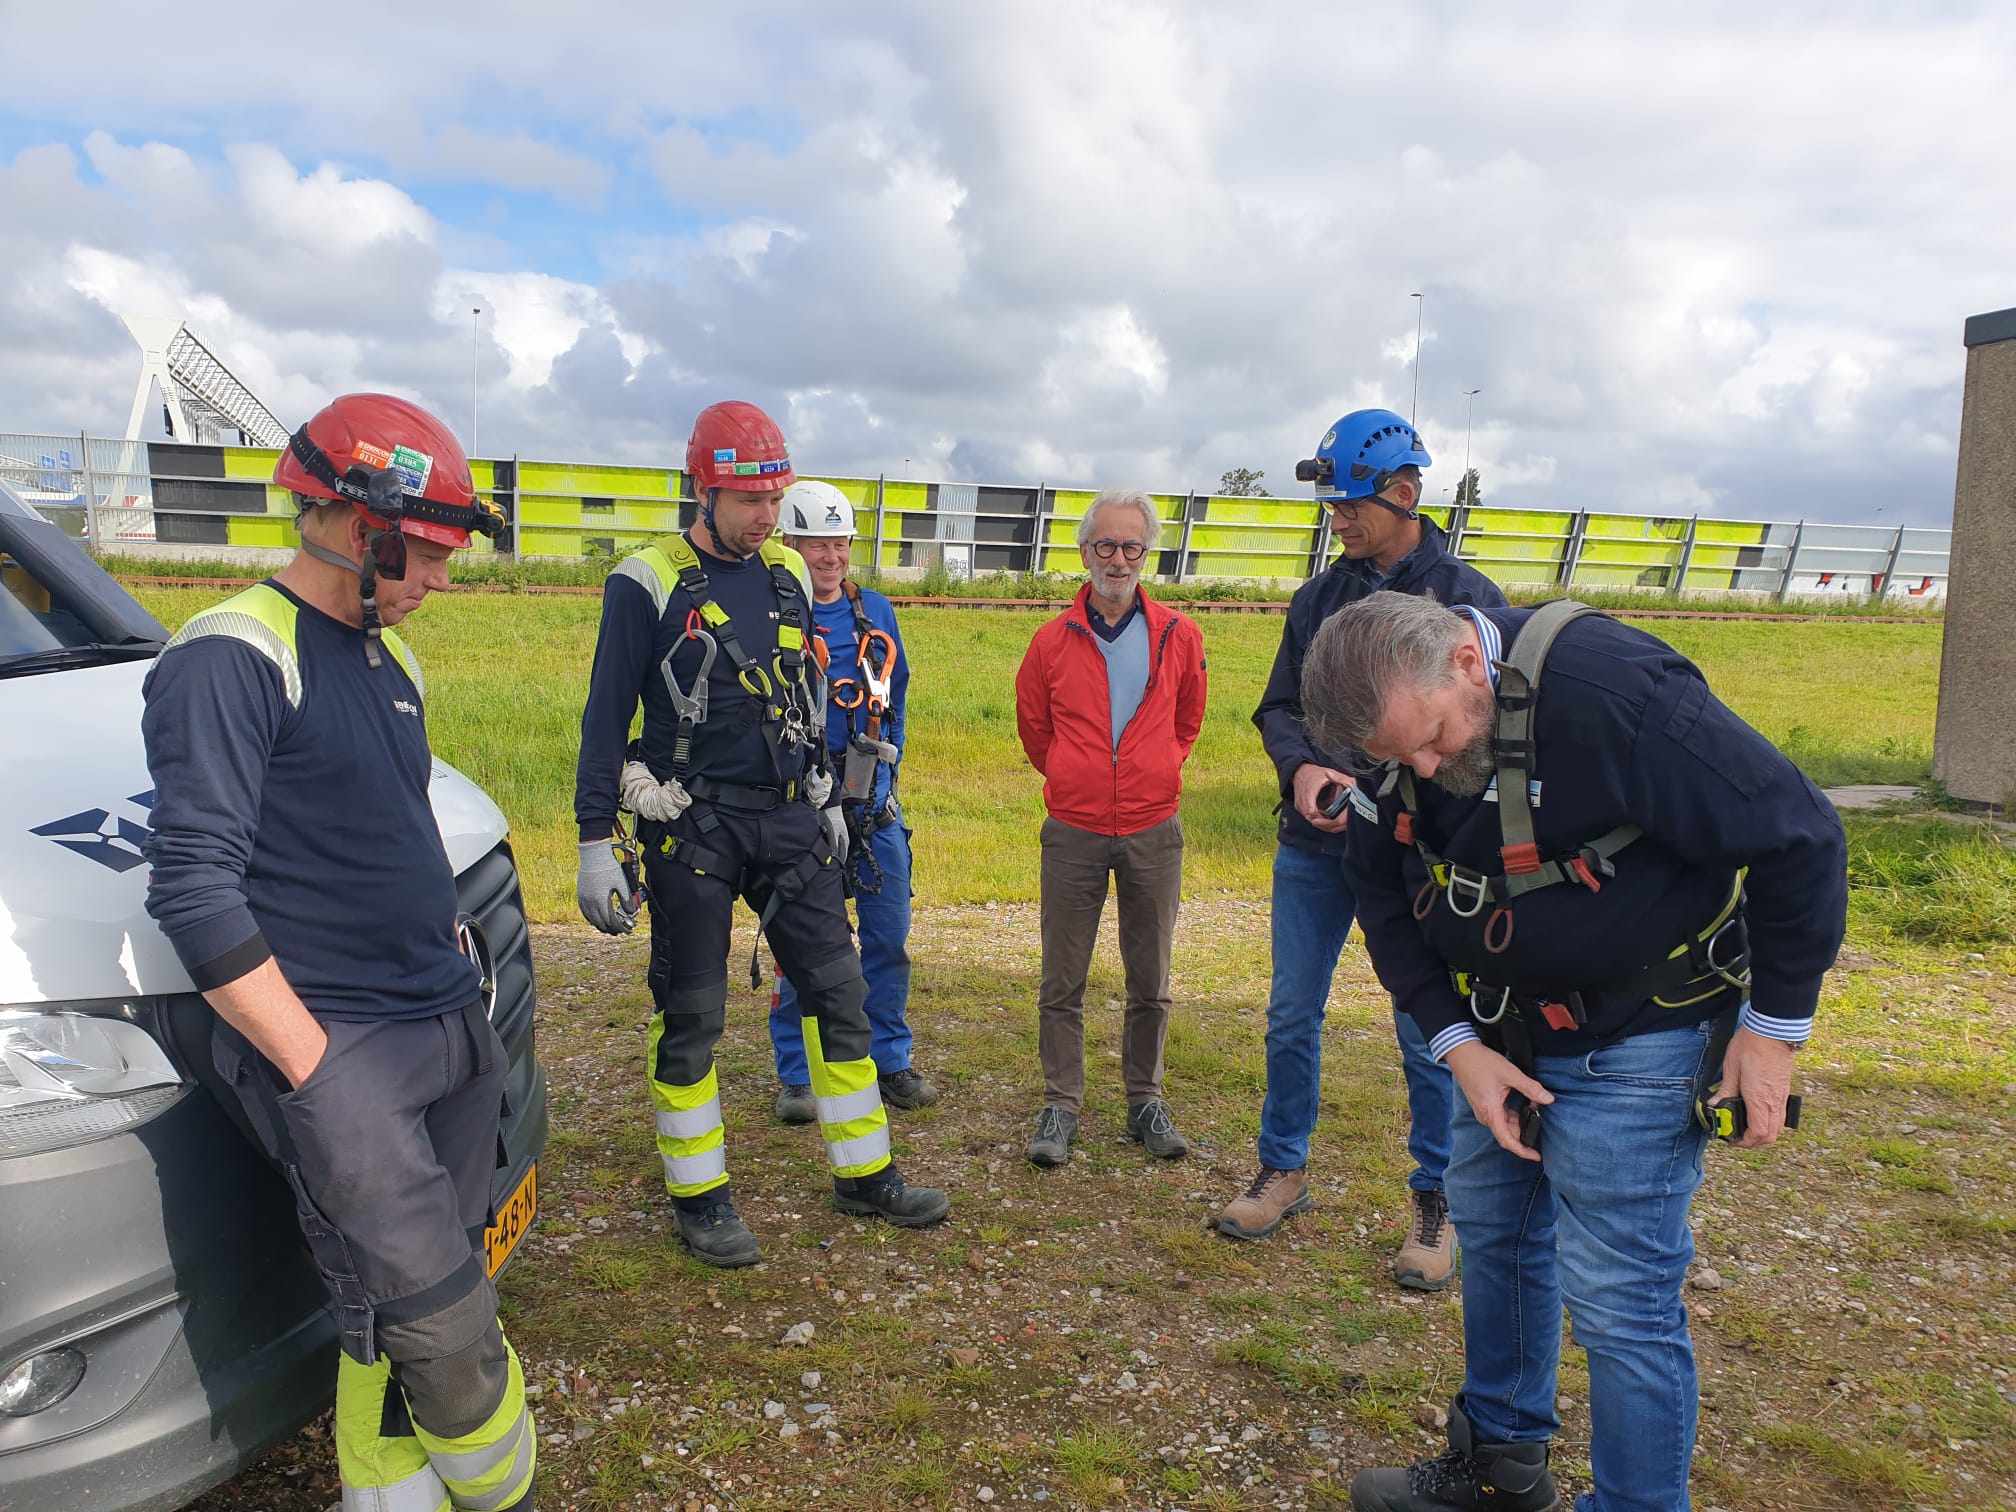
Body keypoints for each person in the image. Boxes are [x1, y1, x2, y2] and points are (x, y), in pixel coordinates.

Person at [1298, 590, 1846, 1512]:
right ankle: (1501, 1471)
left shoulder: (1614, 691)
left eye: (1433, 738)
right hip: (1496, 1039)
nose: (1427, 768)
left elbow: (1799, 834)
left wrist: (1774, 1028)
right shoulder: (1393, 747)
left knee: (1620, 1302)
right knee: (1498, 1239)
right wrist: (1456, 1042)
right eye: (1401, 759)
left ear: (1467, 664)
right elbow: (1382, 897)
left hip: (1639, 1040)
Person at [142, 394, 535, 1511]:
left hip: (442, 1020)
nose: (445, 582)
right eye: (430, 555)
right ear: (361, 528)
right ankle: (506, 1490)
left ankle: (389, 1493)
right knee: (440, 1316)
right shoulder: (231, 657)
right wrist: (312, 1067)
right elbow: (195, 890)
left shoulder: (386, 658)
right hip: (344, 1048)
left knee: (388, 1308)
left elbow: (391, 836)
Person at [573, 401, 949, 1268]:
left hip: (787, 817)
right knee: (694, 1015)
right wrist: (598, 835)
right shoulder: (646, 580)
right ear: (702, 491)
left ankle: (865, 1175)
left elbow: (805, 689)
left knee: (839, 993)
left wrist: (824, 791)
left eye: (775, 498)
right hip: (690, 823)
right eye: (749, 501)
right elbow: (605, 715)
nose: (767, 518)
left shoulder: (784, 572)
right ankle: (699, 1199)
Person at [1219, 408, 1505, 1294]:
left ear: (1405, 493)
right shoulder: (1317, 600)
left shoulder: (1469, 602)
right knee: (1289, 1014)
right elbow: (1278, 708)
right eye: (1332, 507)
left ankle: (1437, 1201)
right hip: (1314, 848)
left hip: (1417, 857)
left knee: (1426, 1030)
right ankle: (1283, 1168)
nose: (1336, 521)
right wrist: (1301, 767)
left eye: (1350, 505)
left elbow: (1484, 737)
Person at [1013, 488, 1208, 1168]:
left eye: (1131, 546)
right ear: (1084, 551)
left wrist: (1153, 771)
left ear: (1146, 553)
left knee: (1150, 978)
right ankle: (1061, 1103)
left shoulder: (1181, 635)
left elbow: (1187, 722)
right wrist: (1075, 775)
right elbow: (1035, 730)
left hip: (1154, 829)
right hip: (1074, 828)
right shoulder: (1049, 641)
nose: (1118, 559)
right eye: (1106, 545)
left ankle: (1144, 1099)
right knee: (1061, 979)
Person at [767, 479, 935, 1124]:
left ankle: (889, 1059)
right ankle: (797, 1071)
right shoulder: (774, 612)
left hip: (871, 804)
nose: (831, 558)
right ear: (789, 547)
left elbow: (894, 696)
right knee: (799, 945)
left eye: (839, 544)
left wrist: (883, 780)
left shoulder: (876, 613)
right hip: (801, 808)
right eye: (816, 546)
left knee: (888, 938)